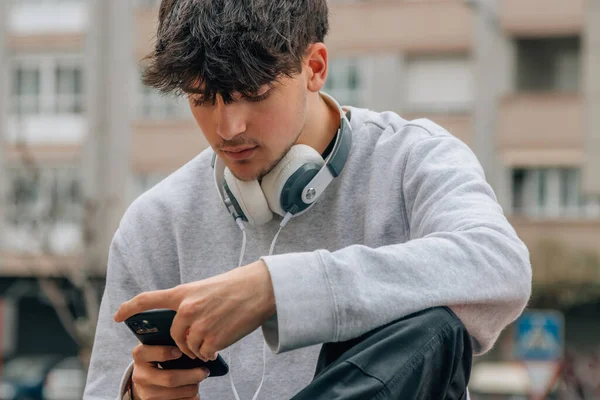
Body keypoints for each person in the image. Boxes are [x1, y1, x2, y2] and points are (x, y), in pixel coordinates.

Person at [83, 0, 532, 399]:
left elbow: (499, 263)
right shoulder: (155, 222)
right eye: (203, 98)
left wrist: (274, 289)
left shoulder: (411, 159)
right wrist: (139, 395)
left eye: (253, 96)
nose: (227, 128)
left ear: (315, 67)